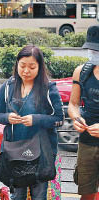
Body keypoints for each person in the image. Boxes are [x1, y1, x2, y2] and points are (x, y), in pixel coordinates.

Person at [0, 45, 64, 200]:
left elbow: (59, 118)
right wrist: (7, 117)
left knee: (39, 194)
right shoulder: (7, 87)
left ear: (40, 67)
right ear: (17, 64)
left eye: (32, 67)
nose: (26, 71)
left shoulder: (48, 88)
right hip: (14, 150)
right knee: (17, 194)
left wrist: (36, 119)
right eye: (22, 66)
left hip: (41, 152)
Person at [68, 25, 99, 200]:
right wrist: (76, 118)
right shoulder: (82, 71)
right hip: (87, 143)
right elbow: (73, 104)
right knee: (86, 192)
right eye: (91, 49)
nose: (93, 53)